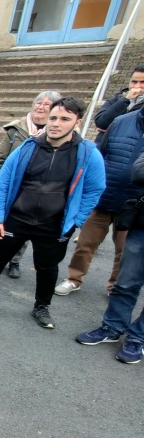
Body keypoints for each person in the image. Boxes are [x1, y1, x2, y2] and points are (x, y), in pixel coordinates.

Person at [0, 97, 106, 329]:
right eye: (53, 118)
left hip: (54, 224)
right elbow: (4, 182)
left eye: (64, 119)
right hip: (17, 219)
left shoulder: (88, 154)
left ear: (77, 122)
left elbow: (95, 189)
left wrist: (76, 221)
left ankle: (42, 307)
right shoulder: (27, 148)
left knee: (48, 268)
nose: (56, 124)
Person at [55, 103, 144, 296]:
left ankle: (115, 287)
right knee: (85, 243)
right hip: (104, 197)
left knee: (125, 250)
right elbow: (99, 154)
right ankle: (73, 278)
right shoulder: (121, 122)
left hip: (134, 203)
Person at [76, 150, 144, 363]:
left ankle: (137, 337)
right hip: (142, 227)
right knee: (126, 282)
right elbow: (139, 172)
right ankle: (112, 326)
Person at [0, 91, 61, 280]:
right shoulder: (16, 130)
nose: (41, 106)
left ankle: (15, 261)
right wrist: (8, 186)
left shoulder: (59, 135)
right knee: (3, 229)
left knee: (28, 231)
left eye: (47, 104)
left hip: (38, 196)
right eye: (39, 102)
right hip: (13, 192)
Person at [92, 65, 144, 147]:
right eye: (134, 82)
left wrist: (111, 129)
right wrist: (125, 99)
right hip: (103, 148)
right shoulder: (118, 98)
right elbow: (101, 122)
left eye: (142, 82)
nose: (137, 86)